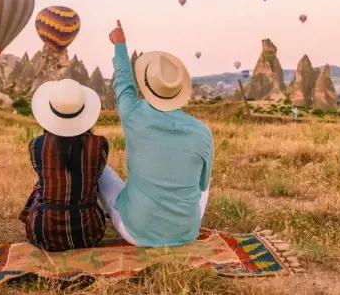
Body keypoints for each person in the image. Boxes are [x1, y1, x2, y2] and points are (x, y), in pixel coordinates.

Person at [98, 20, 214, 247]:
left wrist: (120, 44)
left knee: (101, 171)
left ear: (147, 86)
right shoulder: (203, 132)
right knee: (205, 180)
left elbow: (123, 86)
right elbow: (201, 185)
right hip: (186, 233)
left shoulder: (133, 115)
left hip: (136, 232)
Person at [18, 78, 110, 251]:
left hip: (43, 234)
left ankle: (29, 215)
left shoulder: (36, 145)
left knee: (41, 184)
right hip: (88, 234)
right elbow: (97, 174)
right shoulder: (100, 145)